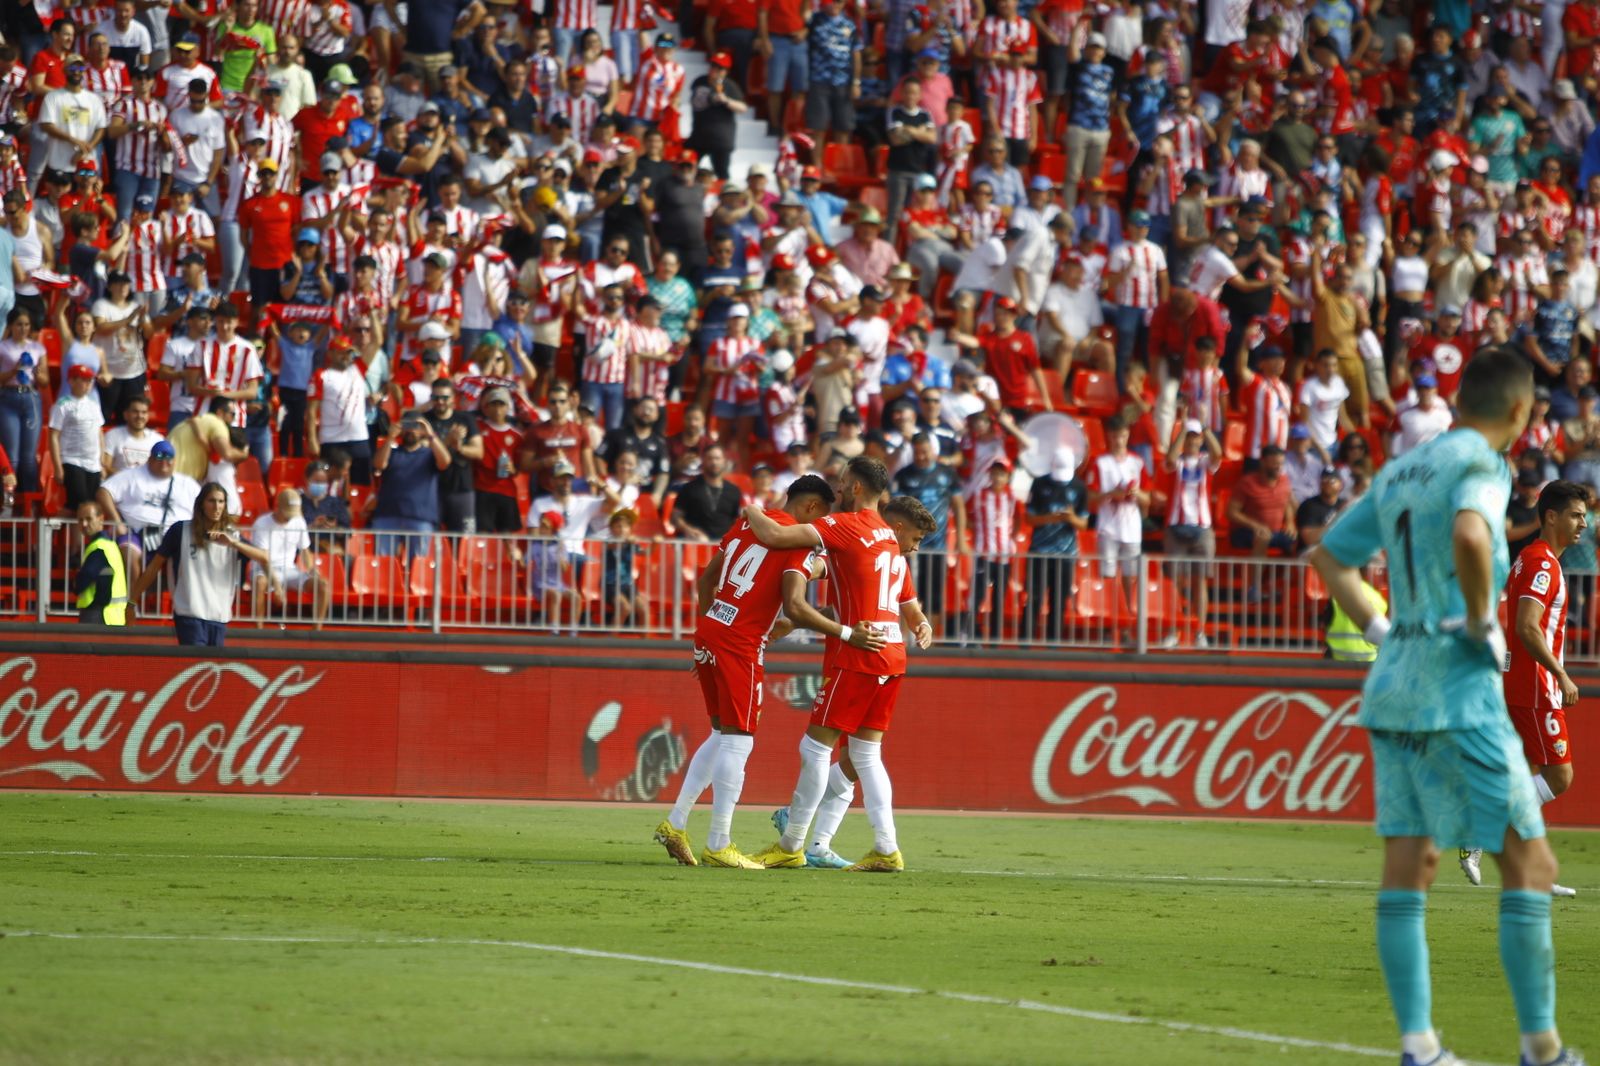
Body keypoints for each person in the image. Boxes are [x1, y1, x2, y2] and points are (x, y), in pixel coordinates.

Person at [1309, 349, 1579, 1066]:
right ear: (1519, 411)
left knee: (1409, 869)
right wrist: (1484, 624)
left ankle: (1420, 1047)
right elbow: (1469, 534)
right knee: (1531, 865)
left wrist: (1383, 631)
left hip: (1393, 685)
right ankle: (1542, 1049)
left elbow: (1329, 559)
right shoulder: (1484, 465)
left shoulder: (1403, 468)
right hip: (1458, 687)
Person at [653, 474, 867, 868]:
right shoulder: (798, 541)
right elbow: (795, 606)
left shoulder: (747, 523)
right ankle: (719, 843)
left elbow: (707, 579)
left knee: (720, 734)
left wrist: (712, 631)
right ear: (811, 507)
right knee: (739, 741)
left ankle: (676, 823)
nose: (820, 528)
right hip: (741, 644)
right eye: (822, 516)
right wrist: (846, 632)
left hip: (711, 630)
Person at [743, 458, 936, 872]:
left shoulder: (849, 526)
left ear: (857, 487)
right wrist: (922, 623)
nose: (840, 487)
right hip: (893, 655)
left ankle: (792, 843)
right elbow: (852, 581)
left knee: (815, 748)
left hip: (861, 653)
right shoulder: (890, 543)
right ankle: (885, 848)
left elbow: (775, 535)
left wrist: (749, 508)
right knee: (865, 755)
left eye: (845, 481)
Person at [1462, 479, 1589, 898]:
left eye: (1585, 516)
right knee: (1558, 775)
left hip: (1522, 678)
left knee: (1524, 775)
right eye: (1575, 515)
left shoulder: (1532, 558)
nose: (1583, 524)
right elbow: (1527, 627)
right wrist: (1561, 674)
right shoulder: (1542, 565)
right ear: (1551, 516)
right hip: (1536, 685)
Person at [126, 481, 272, 646]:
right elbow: (153, 567)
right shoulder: (180, 531)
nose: (216, 506)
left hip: (219, 615)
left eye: (221, 501)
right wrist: (132, 601)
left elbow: (264, 557)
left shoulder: (232, 536)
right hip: (189, 613)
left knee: (213, 663)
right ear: (201, 504)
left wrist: (234, 543)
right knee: (196, 661)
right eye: (211, 501)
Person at [95, 441, 201, 586]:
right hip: (137, 533)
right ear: (150, 459)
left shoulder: (187, 483)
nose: (164, 462)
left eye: (169, 458)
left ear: (175, 461)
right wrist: (117, 522)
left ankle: (180, 599)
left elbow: (203, 506)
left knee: (188, 555)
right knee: (129, 554)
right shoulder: (131, 475)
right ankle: (132, 598)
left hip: (176, 535)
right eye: (159, 457)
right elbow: (104, 492)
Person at [248, 487, 329, 626]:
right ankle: (258, 629)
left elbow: (305, 550)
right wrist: (277, 585)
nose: (290, 517)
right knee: (260, 582)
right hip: (263, 569)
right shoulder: (262, 523)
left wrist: (311, 569)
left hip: (290, 570)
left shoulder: (299, 521)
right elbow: (263, 559)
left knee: (323, 585)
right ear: (277, 506)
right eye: (287, 513)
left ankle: (317, 630)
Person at [1226, 444, 1296, 600]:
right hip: (1245, 532)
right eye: (1274, 463)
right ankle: (1254, 587)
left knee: (1297, 542)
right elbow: (1232, 512)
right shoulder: (1247, 483)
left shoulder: (1284, 481)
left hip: (1276, 531)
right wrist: (1255, 526)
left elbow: (1286, 502)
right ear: (1263, 462)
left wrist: (1290, 522)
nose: (1278, 467)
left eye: (1280, 464)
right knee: (1263, 537)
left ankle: (1283, 586)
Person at [50, 364, 105, 509]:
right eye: (84, 380)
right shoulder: (62, 404)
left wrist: (101, 462)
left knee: (91, 505)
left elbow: (99, 433)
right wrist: (58, 466)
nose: (88, 384)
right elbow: (54, 436)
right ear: (71, 381)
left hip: (93, 463)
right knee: (80, 504)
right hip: (72, 460)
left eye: (90, 380)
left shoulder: (94, 405)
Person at [670, 443, 742, 542]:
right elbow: (675, 517)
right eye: (710, 458)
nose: (714, 462)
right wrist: (688, 530)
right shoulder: (689, 488)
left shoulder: (734, 491)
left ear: (724, 461)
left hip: (724, 544)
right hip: (696, 543)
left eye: (717, 458)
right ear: (703, 460)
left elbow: (737, 521)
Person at [73, 500, 127, 626]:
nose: (84, 524)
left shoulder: (98, 547)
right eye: (80, 520)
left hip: (98, 615)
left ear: (101, 519)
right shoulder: (111, 545)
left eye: (88, 519)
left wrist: (76, 585)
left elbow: (85, 578)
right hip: (114, 617)